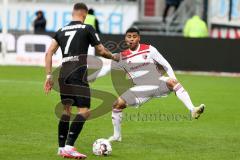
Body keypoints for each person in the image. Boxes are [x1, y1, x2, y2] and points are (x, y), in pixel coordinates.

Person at [91, 28, 205, 142]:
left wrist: (173, 79)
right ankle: (117, 136)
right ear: (125, 39)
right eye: (129, 36)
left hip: (157, 82)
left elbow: (166, 64)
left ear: (139, 38)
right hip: (140, 89)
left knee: (172, 82)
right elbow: (106, 68)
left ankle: (192, 109)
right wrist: (90, 78)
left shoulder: (149, 49)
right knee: (117, 104)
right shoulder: (122, 56)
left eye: (134, 36)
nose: (131, 39)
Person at [44, 3, 115, 159]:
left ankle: (61, 148)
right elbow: (101, 50)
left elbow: (49, 52)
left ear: (73, 13)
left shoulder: (61, 30)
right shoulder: (87, 28)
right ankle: (69, 147)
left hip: (63, 73)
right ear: (85, 14)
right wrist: (114, 57)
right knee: (84, 111)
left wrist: (48, 76)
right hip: (77, 73)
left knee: (66, 111)